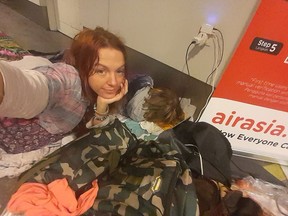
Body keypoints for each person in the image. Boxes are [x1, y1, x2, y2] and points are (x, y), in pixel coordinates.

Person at [0, 27, 128, 174]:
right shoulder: (69, 81)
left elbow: (95, 131)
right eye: (100, 70)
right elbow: (33, 87)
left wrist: (102, 106)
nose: (113, 82)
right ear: (83, 67)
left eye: (119, 70)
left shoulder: (105, 91)